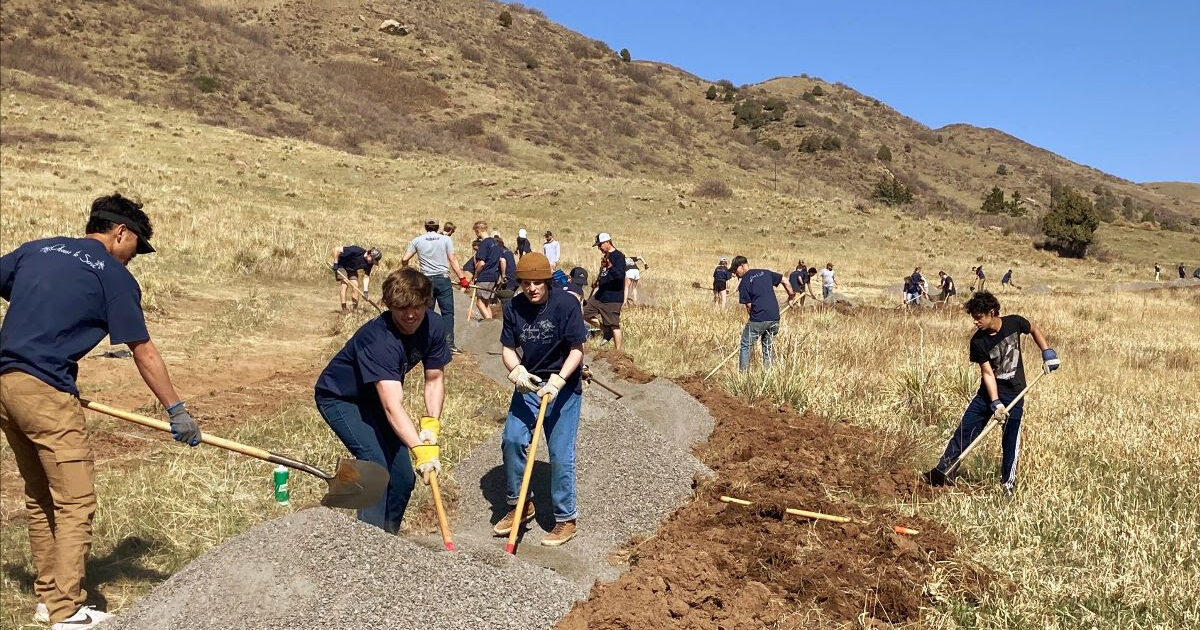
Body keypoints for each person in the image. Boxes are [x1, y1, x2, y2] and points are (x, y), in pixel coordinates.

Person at [0, 194, 202, 629]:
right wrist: (176, 409)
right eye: (136, 247)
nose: (134, 258)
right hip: (46, 395)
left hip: (5, 388)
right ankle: (68, 612)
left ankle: (48, 598)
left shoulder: (38, 249)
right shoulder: (112, 275)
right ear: (120, 233)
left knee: (42, 497)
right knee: (75, 501)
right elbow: (142, 350)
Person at [313, 268, 448, 534]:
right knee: (375, 466)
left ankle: (388, 542)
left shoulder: (434, 326)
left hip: (375, 398)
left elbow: (434, 379)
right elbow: (392, 405)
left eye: (416, 307)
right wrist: (419, 450)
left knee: (402, 477)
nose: (410, 315)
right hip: (341, 398)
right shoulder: (379, 340)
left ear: (427, 302)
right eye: (401, 309)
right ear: (388, 305)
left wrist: (431, 426)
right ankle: (368, 543)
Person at [924, 291, 1059, 495]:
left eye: (979, 317)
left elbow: (1033, 329)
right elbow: (987, 373)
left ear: (992, 312)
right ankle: (945, 470)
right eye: (973, 318)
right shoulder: (978, 342)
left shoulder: (1014, 323)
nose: (975, 322)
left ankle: (1008, 484)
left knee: (1010, 440)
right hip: (987, 394)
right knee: (965, 431)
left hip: (1015, 394)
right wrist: (995, 402)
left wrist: (1047, 352)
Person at [494, 252, 587, 547]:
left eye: (538, 282)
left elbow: (577, 349)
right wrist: (517, 371)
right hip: (530, 384)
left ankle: (565, 519)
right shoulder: (515, 307)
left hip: (564, 386)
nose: (532, 288)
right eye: (526, 283)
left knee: (560, 454)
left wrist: (558, 381)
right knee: (512, 439)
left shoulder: (566, 303)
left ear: (547, 281)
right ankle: (519, 506)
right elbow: (508, 349)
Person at [402, 219, 470, 353]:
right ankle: (449, 345)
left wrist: (407, 272)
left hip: (425, 281)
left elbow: (405, 259)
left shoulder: (417, 240)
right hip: (443, 279)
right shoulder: (445, 240)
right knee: (447, 313)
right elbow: (452, 259)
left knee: (427, 312)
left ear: (425, 227)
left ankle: (425, 343)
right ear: (438, 227)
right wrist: (462, 278)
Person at [729, 256, 795, 371]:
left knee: (745, 345)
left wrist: (754, 319)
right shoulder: (765, 272)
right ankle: (767, 375)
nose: (735, 274)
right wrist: (791, 296)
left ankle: (743, 375)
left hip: (758, 318)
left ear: (742, 266)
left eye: (735, 270)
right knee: (768, 347)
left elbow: (749, 306)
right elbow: (785, 280)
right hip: (774, 317)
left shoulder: (744, 283)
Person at [583, 233, 627, 351]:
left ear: (607, 242)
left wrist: (610, 266)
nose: (599, 248)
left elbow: (620, 275)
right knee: (583, 312)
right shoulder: (605, 256)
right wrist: (597, 282)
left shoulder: (619, 256)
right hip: (600, 294)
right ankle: (605, 330)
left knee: (614, 325)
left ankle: (618, 352)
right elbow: (605, 274)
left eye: (600, 245)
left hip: (613, 296)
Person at [330, 245, 381, 311]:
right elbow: (336, 249)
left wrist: (365, 291)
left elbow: (366, 277)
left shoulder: (369, 264)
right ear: (369, 255)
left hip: (352, 269)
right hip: (341, 265)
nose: (372, 263)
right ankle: (344, 309)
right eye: (373, 260)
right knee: (344, 284)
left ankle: (354, 310)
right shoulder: (356, 250)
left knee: (356, 285)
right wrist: (335, 263)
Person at [468, 221, 502, 319]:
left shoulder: (484, 243)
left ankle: (489, 322)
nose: (475, 233)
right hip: (494, 276)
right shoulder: (495, 243)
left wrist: (476, 275)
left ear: (478, 230)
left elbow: (481, 263)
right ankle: (491, 324)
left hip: (485, 276)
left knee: (479, 303)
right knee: (486, 303)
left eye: (475, 231)